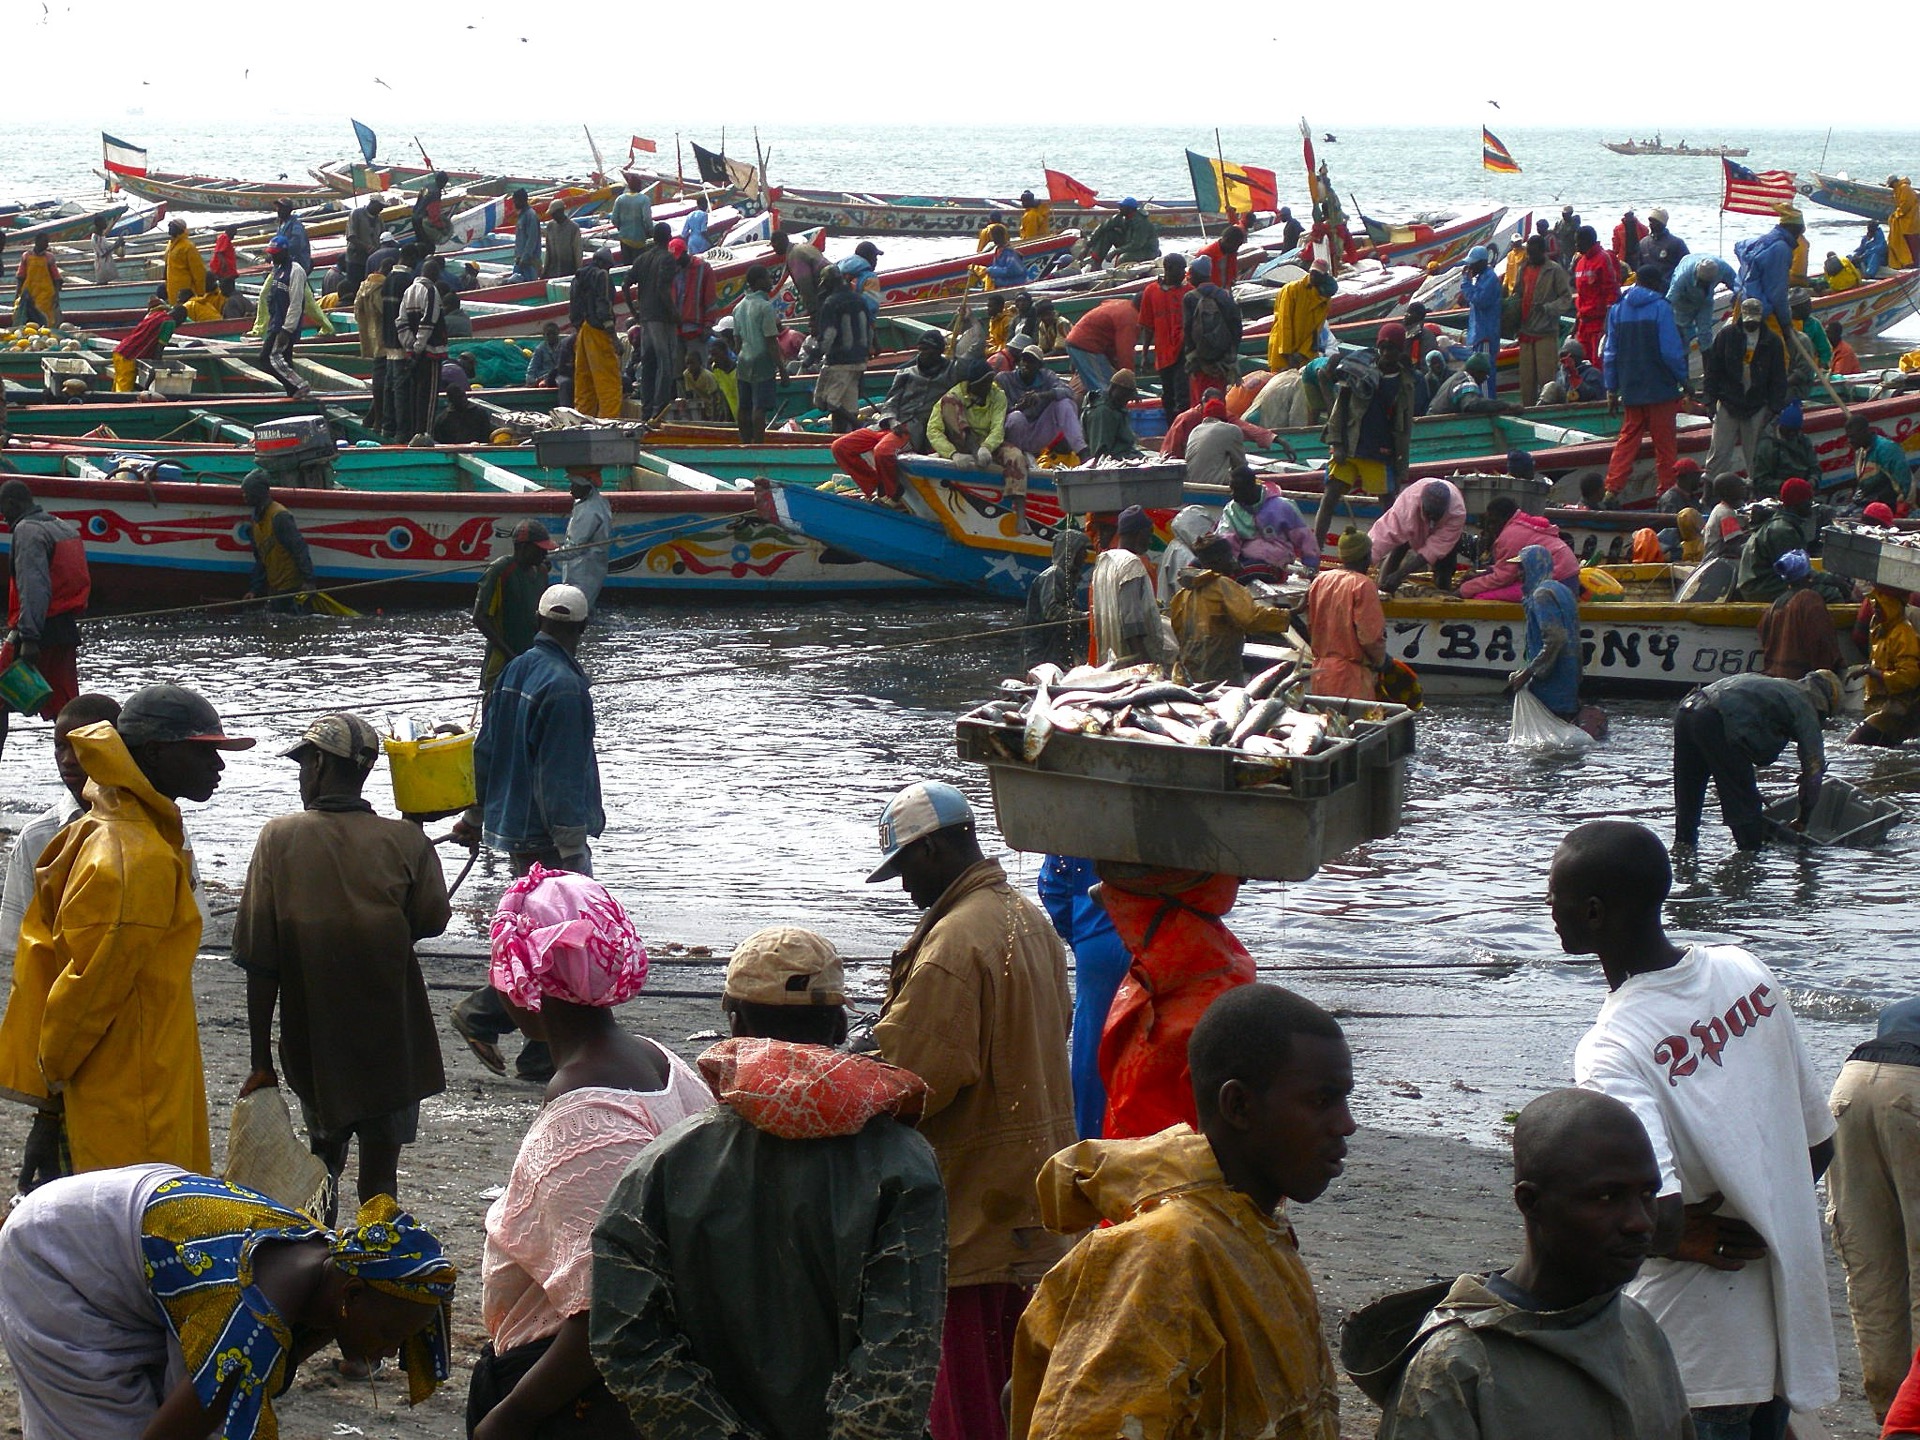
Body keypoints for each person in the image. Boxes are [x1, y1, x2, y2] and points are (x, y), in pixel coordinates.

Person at [591, 925, 946, 1440]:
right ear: (840, 1023)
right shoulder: (905, 1163)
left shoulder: (665, 1163)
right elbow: (899, 1362)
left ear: (733, 1023)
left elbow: (625, 1341)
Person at [1555, 820, 1839, 1438]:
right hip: (1776, 1334)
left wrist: (1684, 1231)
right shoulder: (1745, 971)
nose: (1550, 913)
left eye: (1556, 900)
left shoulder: (1612, 1046)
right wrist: (1752, 1209)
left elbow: (1647, 1219)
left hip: (1688, 1351)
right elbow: (1817, 1145)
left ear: (1594, 912)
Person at [1011, 983, 1350, 1440]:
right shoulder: (1163, 1255)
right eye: (1322, 1100)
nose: (1346, 1123)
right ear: (1239, 1106)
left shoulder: (1256, 1228)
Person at [865, 780, 1075, 1440]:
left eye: (906, 870)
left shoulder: (953, 945)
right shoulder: (1026, 919)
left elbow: (913, 1081)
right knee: (1024, 1394)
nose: (906, 890)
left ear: (933, 851)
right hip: (1035, 1202)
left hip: (976, 1215)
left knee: (970, 1402)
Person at [472, 868, 707, 1440]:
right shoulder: (662, 1062)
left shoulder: (584, 1113)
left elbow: (607, 1307)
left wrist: (507, 1420)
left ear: (526, 987)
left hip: (578, 1394)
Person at [0, 1167, 455, 1440]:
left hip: (127, 1229)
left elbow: (249, 1391)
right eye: (391, 1336)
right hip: (56, 1254)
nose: (392, 1354)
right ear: (352, 1297)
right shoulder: (254, 1309)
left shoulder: (334, 1271)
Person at [0, 687, 249, 1175]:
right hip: (133, 1098)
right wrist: (50, 1109)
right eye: (204, 751)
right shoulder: (136, 856)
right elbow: (82, 999)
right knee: (135, 1234)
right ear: (156, 752)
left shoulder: (109, 828)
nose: (218, 767)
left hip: (130, 1078)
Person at [1354, 1088, 1692, 1440]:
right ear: (1530, 1202)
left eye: (1648, 1195)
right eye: (1606, 1197)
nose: (1639, 1222)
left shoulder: (1637, 1327)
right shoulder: (1458, 1364)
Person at [233, 711, 449, 1218]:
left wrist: (260, 1060)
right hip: (395, 1037)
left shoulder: (278, 839)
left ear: (321, 767)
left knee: (321, 1164)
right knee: (380, 1178)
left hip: (318, 1040)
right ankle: (378, 1269)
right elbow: (431, 920)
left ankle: (318, 1270)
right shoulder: (406, 841)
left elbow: (259, 960)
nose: (302, 776)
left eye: (305, 765)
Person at [451, 584, 603, 1084]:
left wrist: (475, 817)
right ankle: (486, 1012)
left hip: (514, 826)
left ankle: (541, 1051)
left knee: (543, 938)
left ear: (539, 620)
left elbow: (486, 750)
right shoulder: (565, 687)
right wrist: (571, 846)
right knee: (562, 941)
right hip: (547, 834)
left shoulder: (515, 669)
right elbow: (557, 774)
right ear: (581, 628)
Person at [1825, 1000, 1920, 1419]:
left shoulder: (1902, 1008)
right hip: (1913, 1090)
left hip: (1852, 1083)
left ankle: (1891, 1415)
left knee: (1871, 1269)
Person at [1670, 668, 1840, 852]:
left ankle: (1682, 859)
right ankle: (1749, 865)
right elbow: (1814, 776)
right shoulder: (1805, 705)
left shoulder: (1778, 686)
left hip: (1687, 711)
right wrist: (1802, 820)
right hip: (1715, 719)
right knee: (1746, 811)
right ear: (1824, 704)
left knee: (1688, 802)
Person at [0, 478, 89, 744]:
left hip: (38, 631)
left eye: (3, 509)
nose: (3, 517)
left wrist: (29, 637)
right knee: (67, 707)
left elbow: (34, 586)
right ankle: (88, 767)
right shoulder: (62, 527)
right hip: (65, 630)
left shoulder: (27, 531)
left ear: (13, 503)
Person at [1315, 323, 1414, 546]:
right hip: (1350, 445)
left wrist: (1401, 468)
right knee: (1330, 497)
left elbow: (1405, 428)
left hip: (1381, 450)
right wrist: (1336, 442)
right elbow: (1340, 407)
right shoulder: (1360, 369)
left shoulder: (1405, 382)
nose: (1387, 353)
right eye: (1384, 348)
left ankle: (1384, 555)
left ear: (1400, 351)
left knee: (1389, 507)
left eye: (1393, 349)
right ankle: (1314, 552)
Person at [1602, 265, 1690, 501]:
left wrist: (1611, 388)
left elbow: (1610, 353)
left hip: (1631, 388)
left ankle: (1612, 489)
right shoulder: (1661, 308)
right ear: (1655, 283)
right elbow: (1671, 352)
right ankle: (1668, 494)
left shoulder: (1618, 310)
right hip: (1660, 389)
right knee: (1665, 447)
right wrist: (1685, 380)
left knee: (1627, 441)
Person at [833, 330, 951, 501]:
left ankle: (892, 494)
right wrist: (891, 420)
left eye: (928, 350)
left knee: (883, 452)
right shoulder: (906, 373)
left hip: (912, 429)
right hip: (889, 425)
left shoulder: (950, 373)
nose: (923, 354)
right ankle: (876, 486)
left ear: (939, 351)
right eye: (921, 349)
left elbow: (973, 357)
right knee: (840, 446)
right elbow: (891, 402)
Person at [1168, 536, 1291, 685]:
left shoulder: (1184, 593)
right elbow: (1251, 618)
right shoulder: (1223, 586)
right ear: (1220, 559)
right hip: (1220, 668)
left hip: (1191, 667)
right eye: (1230, 556)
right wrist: (1290, 614)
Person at [928, 358, 1028, 518]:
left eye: (991, 381)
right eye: (985, 383)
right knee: (949, 403)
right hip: (961, 444)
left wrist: (986, 447)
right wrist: (952, 453)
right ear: (973, 384)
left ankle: (1019, 514)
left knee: (1016, 456)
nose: (989, 386)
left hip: (987, 445)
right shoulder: (953, 395)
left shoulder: (997, 395)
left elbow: (997, 428)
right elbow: (933, 431)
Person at [1703, 299, 1787, 480]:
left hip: (1757, 405)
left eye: (1754, 321)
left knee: (1755, 456)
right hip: (1728, 402)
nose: (1751, 324)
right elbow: (1712, 371)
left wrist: (1774, 408)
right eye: (1748, 320)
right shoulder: (1726, 336)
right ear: (1741, 315)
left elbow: (1779, 378)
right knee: (1718, 453)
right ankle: (1709, 491)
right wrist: (1709, 401)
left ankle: (1755, 491)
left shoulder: (1772, 342)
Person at [471, 518, 555, 697]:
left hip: (531, 657)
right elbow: (479, 617)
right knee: (494, 699)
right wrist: (510, 655)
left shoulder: (541, 573)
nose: (544, 554)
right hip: (502, 657)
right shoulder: (500, 570)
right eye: (540, 549)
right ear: (523, 547)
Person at [1505, 544, 1583, 722]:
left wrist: (1528, 673)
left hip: (1553, 683)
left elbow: (1555, 639)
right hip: (1569, 677)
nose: (1519, 573)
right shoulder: (1562, 589)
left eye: (1522, 568)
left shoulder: (1541, 595)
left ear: (1534, 566)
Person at [1308, 529, 1386, 700]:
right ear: (1365, 557)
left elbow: (1311, 624)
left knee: (1323, 723)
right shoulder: (1363, 585)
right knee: (1354, 725)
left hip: (1320, 673)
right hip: (1350, 677)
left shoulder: (1320, 580)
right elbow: (1370, 638)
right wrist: (1382, 661)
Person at [1089, 505, 1168, 668]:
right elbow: (1131, 622)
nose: (1150, 541)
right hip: (1131, 662)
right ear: (1138, 534)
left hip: (1109, 658)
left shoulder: (1105, 560)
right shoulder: (1131, 564)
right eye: (1149, 535)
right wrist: (1145, 664)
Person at [1849, 585, 1920, 746]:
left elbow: (1908, 677)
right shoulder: (1881, 630)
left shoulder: (1902, 634)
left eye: (1879, 607)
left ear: (1891, 608)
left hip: (1897, 708)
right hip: (1882, 704)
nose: (1875, 611)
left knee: (1854, 743)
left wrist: (1872, 672)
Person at [1757, 550, 1841, 680]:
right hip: (1802, 681)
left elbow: (1763, 635)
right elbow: (1822, 640)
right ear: (1809, 574)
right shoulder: (1809, 599)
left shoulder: (1774, 606)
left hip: (1775, 679)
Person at [1371, 478, 1466, 593]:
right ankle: (1383, 587)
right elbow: (1383, 535)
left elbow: (1432, 551)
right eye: (1429, 514)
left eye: (1436, 516)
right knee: (1398, 548)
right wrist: (1364, 562)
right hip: (1412, 523)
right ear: (1421, 504)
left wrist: (1400, 574)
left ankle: (1443, 598)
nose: (1431, 520)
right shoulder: (1408, 503)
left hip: (1444, 540)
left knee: (1445, 567)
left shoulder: (1457, 513)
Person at [1732, 477, 1819, 602]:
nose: (1812, 504)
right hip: (1762, 588)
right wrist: (1831, 580)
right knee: (1828, 593)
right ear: (1798, 503)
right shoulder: (1783, 531)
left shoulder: (1783, 523)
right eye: (1809, 500)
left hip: (1762, 583)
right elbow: (1796, 572)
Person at [239, 469, 316, 606]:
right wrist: (254, 590)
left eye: (247, 492)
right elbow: (261, 559)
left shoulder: (280, 517)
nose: (244, 496)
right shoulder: (256, 522)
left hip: (292, 590)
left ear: (257, 493)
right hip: (275, 590)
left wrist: (309, 581)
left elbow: (299, 549)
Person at [1220, 473, 1318, 580]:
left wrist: (1311, 566)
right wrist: (1228, 563)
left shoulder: (1283, 506)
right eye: (1232, 490)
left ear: (1251, 487)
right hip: (1243, 561)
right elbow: (1226, 539)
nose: (1233, 494)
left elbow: (1305, 538)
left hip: (1275, 565)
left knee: (1249, 570)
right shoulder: (1231, 509)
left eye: (1238, 490)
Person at [1513, 232, 1573, 405]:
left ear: (1543, 252)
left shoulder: (1554, 270)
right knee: (1526, 380)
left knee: (1546, 379)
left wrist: (1548, 308)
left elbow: (1566, 299)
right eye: (1529, 253)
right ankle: (1528, 411)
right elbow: (1517, 293)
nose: (1531, 256)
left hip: (1545, 331)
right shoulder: (1523, 267)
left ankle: (1547, 411)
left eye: (1534, 253)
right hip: (1525, 331)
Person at [396, 254, 450, 445]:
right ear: (434, 274)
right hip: (430, 351)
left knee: (417, 394)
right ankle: (426, 435)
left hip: (414, 351)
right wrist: (418, 347)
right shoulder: (431, 291)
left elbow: (401, 322)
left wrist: (409, 345)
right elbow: (429, 322)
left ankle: (415, 433)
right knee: (429, 396)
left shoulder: (409, 291)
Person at [811, 265, 871, 433]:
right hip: (859, 360)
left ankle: (860, 427)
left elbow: (829, 335)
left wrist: (815, 354)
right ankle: (840, 438)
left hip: (840, 361)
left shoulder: (831, 303)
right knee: (849, 405)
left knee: (830, 402)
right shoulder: (860, 299)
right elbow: (869, 329)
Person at [999, 342, 1083, 460]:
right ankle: (1018, 458)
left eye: (1031, 361)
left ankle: (1082, 451)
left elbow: (1069, 392)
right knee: (1016, 417)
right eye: (1024, 360)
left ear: (1039, 366)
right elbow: (998, 412)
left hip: (1038, 432)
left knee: (1065, 403)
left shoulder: (1047, 376)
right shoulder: (1005, 379)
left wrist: (1041, 396)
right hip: (1012, 435)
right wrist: (1020, 407)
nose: (1026, 364)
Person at [1023, 528, 1091, 672]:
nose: (1085, 555)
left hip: (1057, 652)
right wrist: (1084, 617)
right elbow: (1051, 611)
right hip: (1042, 654)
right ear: (1071, 551)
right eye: (1082, 550)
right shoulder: (1053, 575)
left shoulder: (1069, 580)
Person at [567, 245, 622, 420]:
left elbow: (574, 309)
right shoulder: (601, 275)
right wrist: (614, 338)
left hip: (582, 331)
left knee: (584, 380)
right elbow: (603, 308)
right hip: (598, 331)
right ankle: (609, 420)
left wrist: (579, 327)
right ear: (601, 263)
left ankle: (582, 419)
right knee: (608, 379)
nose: (608, 270)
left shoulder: (578, 278)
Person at [1181, 255, 1242, 404]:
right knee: (1218, 400)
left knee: (1199, 402)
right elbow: (1236, 328)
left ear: (1195, 274)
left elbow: (1187, 331)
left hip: (1200, 362)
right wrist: (1230, 357)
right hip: (1222, 363)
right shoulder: (1225, 295)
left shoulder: (1189, 298)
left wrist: (1193, 358)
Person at [731, 263, 782, 443]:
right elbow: (771, 341)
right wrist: (782, 369)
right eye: (767, 278)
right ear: (759, 281)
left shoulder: (738, 307)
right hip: (762, 361)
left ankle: (745, 444)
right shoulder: (765, 307)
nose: (770, 281)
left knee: (744, 406)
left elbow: (737, 341)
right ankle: (759, 446)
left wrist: (740, 357)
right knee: (759, 407)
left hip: (743, 360)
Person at [1137, 253, 1191, 422]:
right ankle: (1171, 431)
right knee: (1168, 396)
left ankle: (1184, 431)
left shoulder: (1189, 292)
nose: (1183, 273)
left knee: (1183, 396)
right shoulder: (1151, 292)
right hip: (1163, 353)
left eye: (1184, 269)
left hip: (1184, 351)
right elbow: (1147, 326)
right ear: (1168, 269)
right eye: (1180, 269)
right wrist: (1145, 355)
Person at [257, 240, 311, 399]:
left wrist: (287, 329)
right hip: (276, 322)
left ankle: (300, 385)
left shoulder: (296, 271)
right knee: (285, 359)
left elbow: (296, 303)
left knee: (267, 358)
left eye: (275, 254)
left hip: (284, 326)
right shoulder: (278, 269)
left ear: (284, 252)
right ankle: (293, 393)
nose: (272, 257)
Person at [1734, 207, 1802, 331]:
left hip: (1740, 300)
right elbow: (1778, 294)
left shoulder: (1760, 241)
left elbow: (1738, 247)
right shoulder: (1781, 249)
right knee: (1778, 348)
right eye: (1800, 232)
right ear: (1794, 229)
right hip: (1759, 311)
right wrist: (1786, 324)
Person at [1164, 387, 1276, 458]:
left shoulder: (1223, 414)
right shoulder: (1186, 418)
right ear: (1202, 402)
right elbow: (1171, 449)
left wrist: (1273, 438)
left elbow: (1246, 427)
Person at [1062, 296, 1139, 396]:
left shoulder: (1122, 304)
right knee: (1105, 389)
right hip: (1087, 346)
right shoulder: (1129, 316)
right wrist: (1130, 381)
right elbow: (1125, 353)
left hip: (1079, 342)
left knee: (1098, 385)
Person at [561, 468, 613, 612]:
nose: (571, 490)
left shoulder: (588, 510)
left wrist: (546, 553)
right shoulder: (601, 502)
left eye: (574, 485)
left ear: (585, 486)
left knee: (575, 610)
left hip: (581, 572)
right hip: (594, 569)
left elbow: (573, 549)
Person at [1269, 267, 1338, 372]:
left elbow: (1316, 330)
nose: (1325, 298)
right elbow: (1285, 324)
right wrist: (1287, 353)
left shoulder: (1325, 301)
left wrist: (1301, 354)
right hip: (1282, 348)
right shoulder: (1291, 290)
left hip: (1304, 352)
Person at [1748, 400, 1820, 499]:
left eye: (1795, 431)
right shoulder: (1767, 445)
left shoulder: (1804, 441)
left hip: (1804, 491)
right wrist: (1785, 486)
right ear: (1781, 425)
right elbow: (1760, 480)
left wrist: (1813, 481)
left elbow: (1815, 467)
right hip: (1777, 494)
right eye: (1788, 430)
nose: (1791, 434)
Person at [109, 299, 184, 393]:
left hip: (120, 350)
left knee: (117, 388)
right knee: (124, 392)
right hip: (130, 356)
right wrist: (158, 368)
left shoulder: (156, 314)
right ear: (180, 319)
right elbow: (159, 349)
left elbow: (150, 336)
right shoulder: (170, 323)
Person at [1571, 226, 1620, 365]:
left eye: (1578, 242)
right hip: (1583, 324)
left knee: (1599, 363)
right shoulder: (1580, 263)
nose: (1576, 245)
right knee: (1582, 363)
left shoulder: (1603, 259)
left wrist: (1607, 323)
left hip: (1599, 324)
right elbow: (1581, 295)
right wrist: (1577, 322)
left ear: (1587, 241)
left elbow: (1612, 292)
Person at [1666, 254, 1729, 363]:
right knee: (1683, 334)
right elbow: (1668, 302)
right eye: (1702, 283)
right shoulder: (1682, 277)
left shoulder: (1722, 267)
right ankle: (1684, 375)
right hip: (1684, 301)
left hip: (1706, 301)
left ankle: (1709, 373)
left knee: (1705, 333)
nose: (1704, 285)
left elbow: (1738, 284)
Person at [1459, 245, 1504, 392]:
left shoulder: (1490, 278)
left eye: (1472, 263)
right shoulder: (1481, 277)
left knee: (1483, 372)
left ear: (1482, 263)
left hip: (1485, 333)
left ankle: (1487, 401)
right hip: (1478, 332)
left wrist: (1466, 283)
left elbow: (1480, 300)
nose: (1469, 266)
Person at [1850, 413, 1914, 511]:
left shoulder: (1887, 449)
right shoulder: (1860, 452)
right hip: (1870, 502)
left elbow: (1905, 483)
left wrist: (1902, 509)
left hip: (1889, 506)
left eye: (1852, 437)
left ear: (1864, 432)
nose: (1850, 441)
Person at [1184, 400, 1254, 488]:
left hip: (1190, 487)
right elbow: (1240, 466)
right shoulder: (1232, 430)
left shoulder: (1195, 430)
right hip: (1214, 488)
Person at [770, 228, 835, 318]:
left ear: (780, 242)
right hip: (835, 286)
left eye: (774, 246)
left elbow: (805, 285)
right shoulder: (805, 247)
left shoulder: (794, 256)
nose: (774, 249)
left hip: (827, 291)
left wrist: (814, 312)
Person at [1081, 368, 1142, 460]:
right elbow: (1100, 453)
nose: (1126, 400)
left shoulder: (1117, 407)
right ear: (1114, 388)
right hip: (1114, 461)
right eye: (1124, 395)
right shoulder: (1102, 412)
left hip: (1127, 453)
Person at [1085, 195, 1159, 267]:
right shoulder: (1120, 217)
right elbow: (1102, 227)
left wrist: (1115, 251)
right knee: (1108, 234)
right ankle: (1096, 263)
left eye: (1122, 206)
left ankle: (1118, 273)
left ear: (1130, 209)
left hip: (1146, 250)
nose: (1119, 208)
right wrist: (1088, 246)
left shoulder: (1141, 223)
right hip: (1129, 242)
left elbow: (1136, 244)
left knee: (1124, 257)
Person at [1426, 352, 1505, 415]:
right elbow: (1472, 404)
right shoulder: (1465, 380)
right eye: (1485, 375)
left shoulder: (1456, 377)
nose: (1485, 379)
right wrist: (1504, 405)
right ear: (1476, 372)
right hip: (1437, 425)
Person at [161, 219, 207, 304]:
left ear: (179, 230)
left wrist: (201, 294)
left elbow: (198, 272)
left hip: (185, 289)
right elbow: (167, 264)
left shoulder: (188, 247)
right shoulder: (170, 244)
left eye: (173, 227)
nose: (170, 229)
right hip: (172, 288)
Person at [1636, 206, 1689, 277]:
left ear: (1662, 223)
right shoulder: (1643, 243)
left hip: (1668, 284)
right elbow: (1639, 267)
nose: (1651, 224)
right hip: (1647, 285)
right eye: (1650, 221)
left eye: (1654, 221)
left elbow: (1686, 266)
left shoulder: (1676, 243)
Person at [612, 172, 654, 261]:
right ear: (640, 186)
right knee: (639, 265)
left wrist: (621, 228)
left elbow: (614, 219)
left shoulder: (620, 199)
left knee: (626, 264)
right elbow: (647, 219)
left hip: (624, 238)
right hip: (639, 239)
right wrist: (651, 232)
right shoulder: (644, 200)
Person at [1196, 224, 1247, 289]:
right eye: (1236, 245)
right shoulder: (1206, 254)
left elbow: (1233, 275)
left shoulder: (1232, 253)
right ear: (1227, 240)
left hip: (1224, 291)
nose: (1237, 248)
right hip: (1208, 293)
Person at [509, 187, 542, 282]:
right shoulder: (522, 215)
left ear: (522, 200)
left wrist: (525, 258)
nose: (514, 203)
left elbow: (532, 239)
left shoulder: (530, 215)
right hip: (520, 261)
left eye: (515, 201)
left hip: (529, 262)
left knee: (529, 284)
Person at [543, 200, 582, 279]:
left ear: (560, 211)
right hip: (552, 272)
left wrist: (578, 273)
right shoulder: (550, 226)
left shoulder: (573, 228)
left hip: (568, 272)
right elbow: (548, 252)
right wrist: (544, 273)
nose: (552, 216)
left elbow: (577, 253)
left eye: (554, 214)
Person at [1890, 176, 1920, 270]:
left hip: (1911, 222)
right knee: (1906, 243)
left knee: (1913, 243)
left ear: (1895, 182)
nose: (1891, 187)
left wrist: (1897, 214)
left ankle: (1916, 264)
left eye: (1891, 185)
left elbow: (1906, 204)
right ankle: (1909, 263)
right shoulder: (1898, 189)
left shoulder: (1905, 188)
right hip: (1905, 223)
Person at [525, 319, 565, 388]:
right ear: (544, 335)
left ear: (558, 333)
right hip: (545, 377)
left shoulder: (564, 346)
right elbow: (532, 368)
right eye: (548, 334)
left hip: (560, 377)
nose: (551, 336)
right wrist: (531, 381)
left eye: (554, 333)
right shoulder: (540, 349)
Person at [208, 225, 239, 298]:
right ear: (230, 232)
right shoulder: (224, 238)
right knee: (227, 288)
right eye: (233, 234)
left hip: (228, 270)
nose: (233, 237)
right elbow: (219, 252)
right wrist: (224, 264)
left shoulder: (225, 239)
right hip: (224, 271)